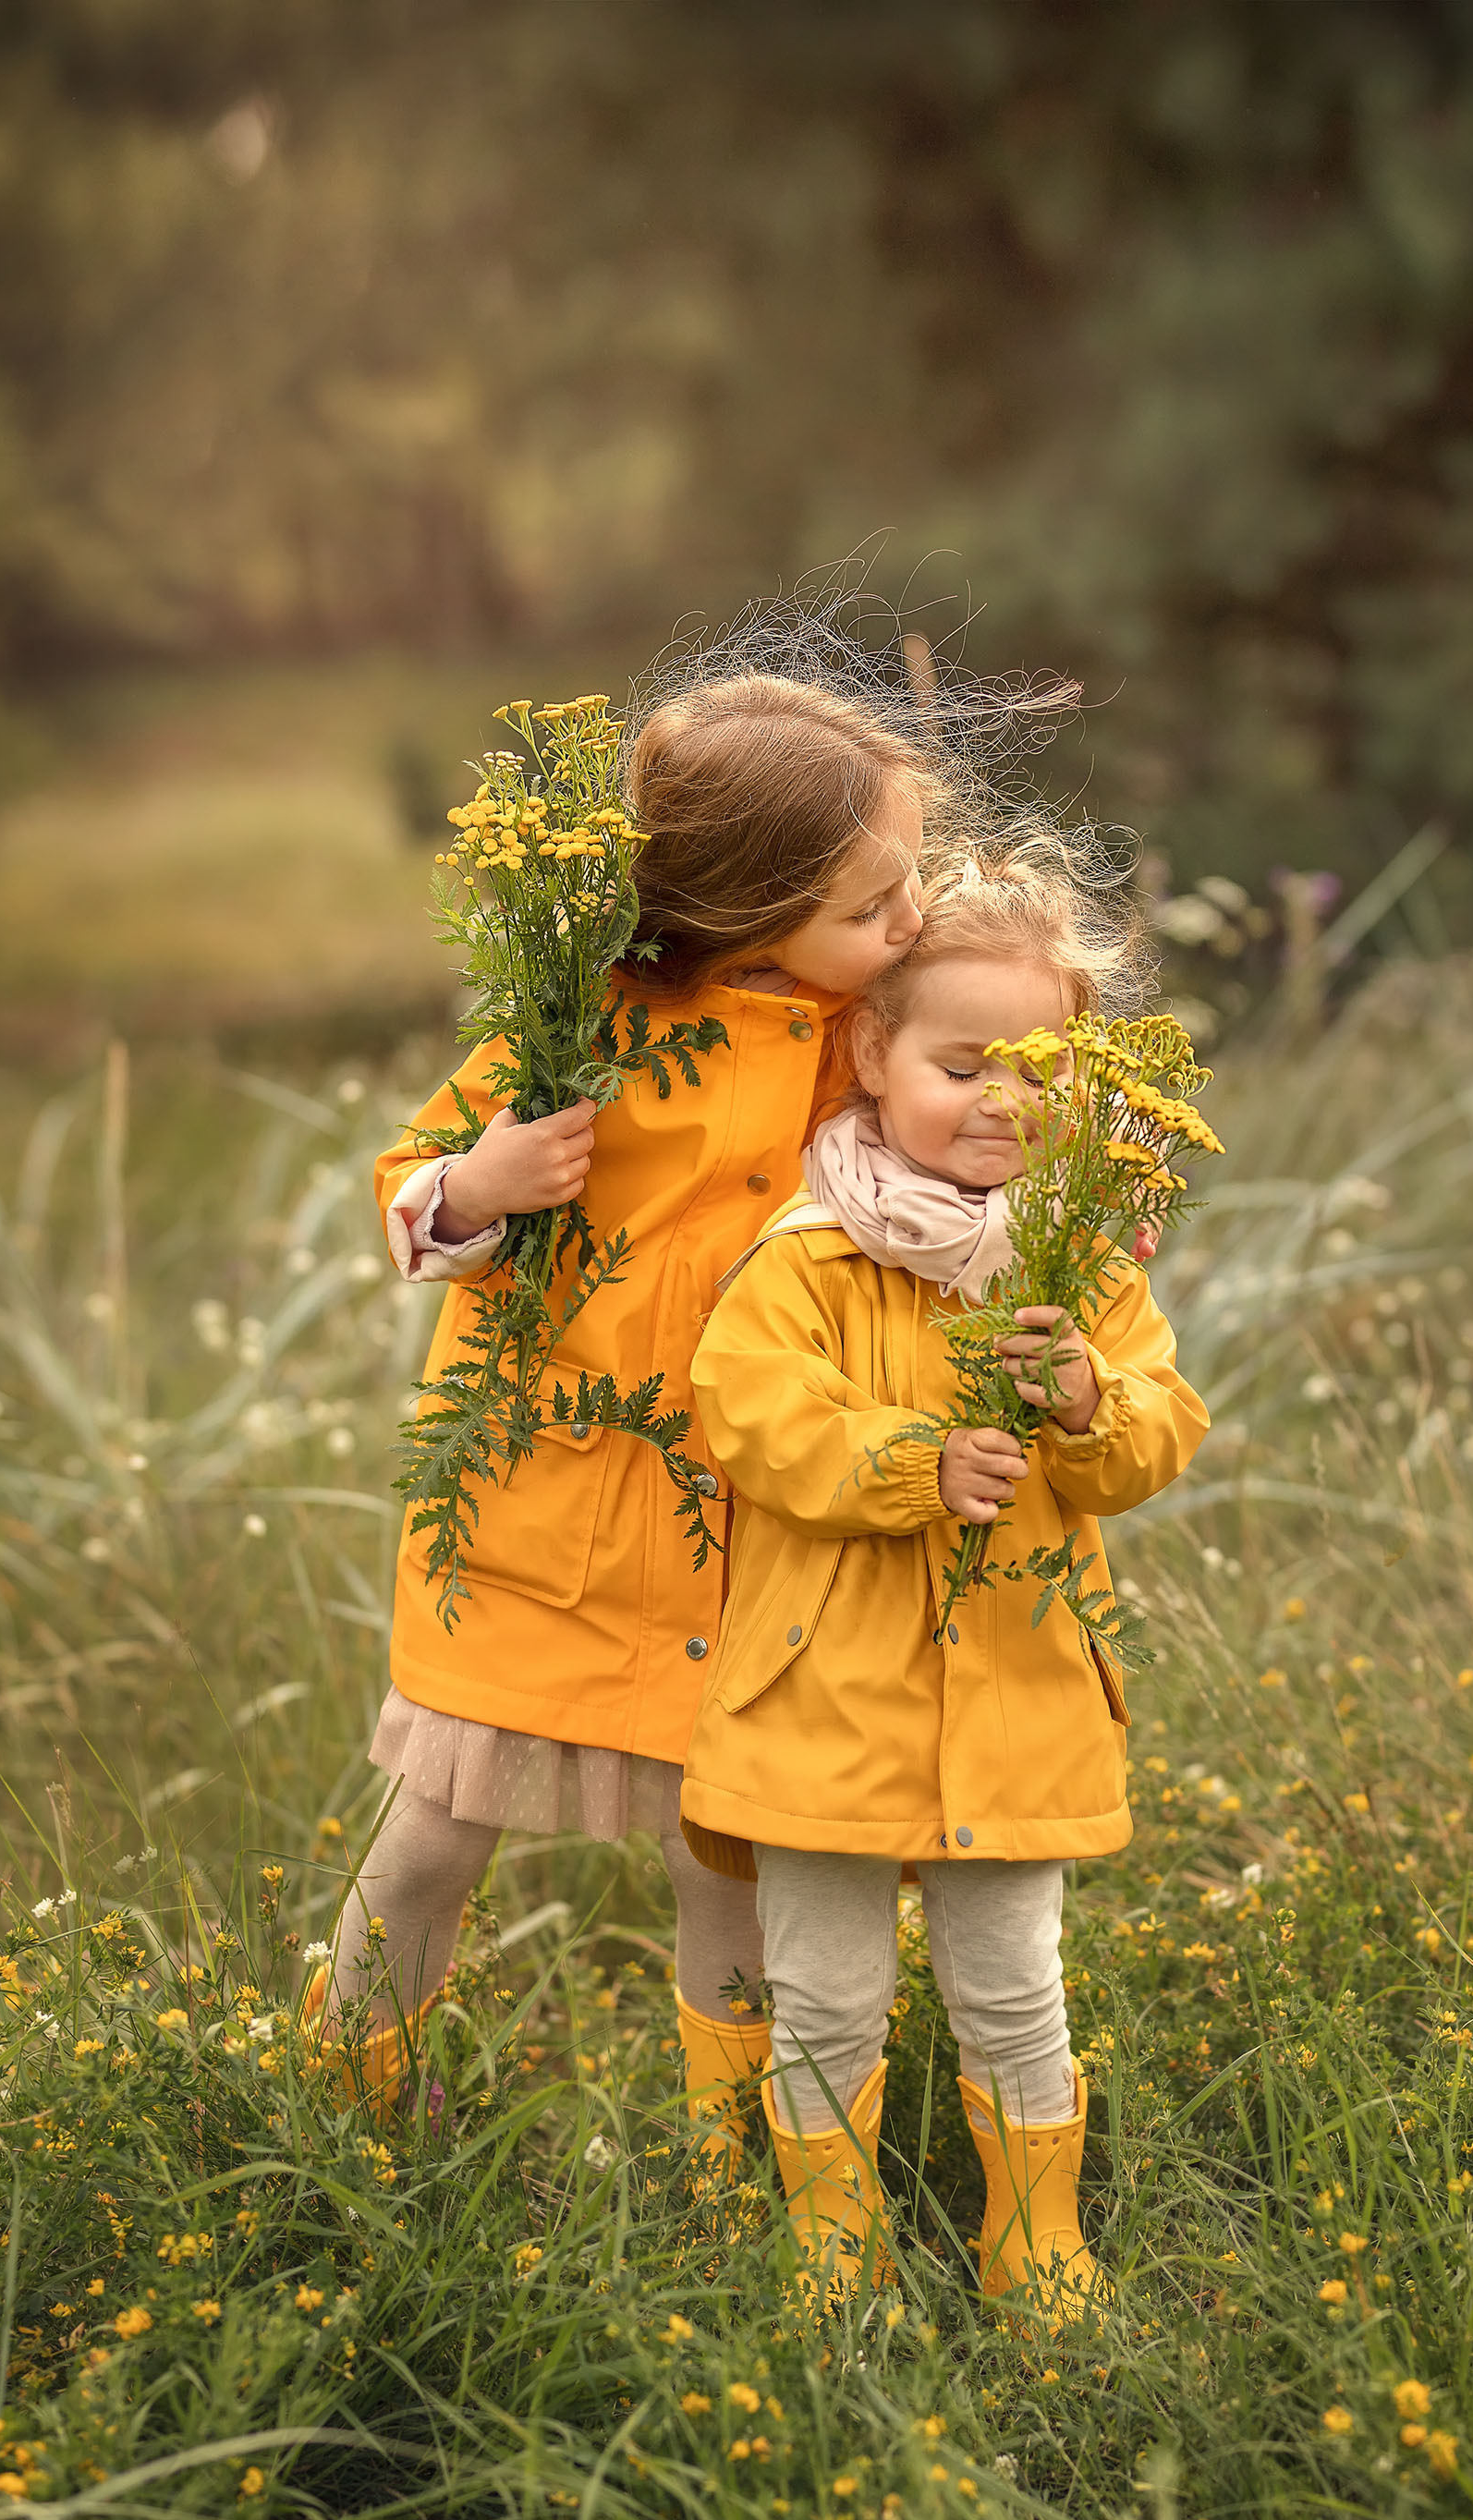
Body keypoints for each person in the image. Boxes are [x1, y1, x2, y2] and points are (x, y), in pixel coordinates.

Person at [321, 646, 953, 2150]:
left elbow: (952, 1172)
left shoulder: (863, 1042)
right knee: (432, 1836)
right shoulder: (580, 1028)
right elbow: (408, 1198)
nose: (911, 920)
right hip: (538, 1518)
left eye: (912, 884)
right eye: (873, 905)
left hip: (748, 1533)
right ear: (741, 910)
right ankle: (340, 2113)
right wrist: (481, 1182)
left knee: (724, 1857)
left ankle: (734, 2163)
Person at [681, 836, 1211, 2310]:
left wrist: (1089, 1401)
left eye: (1044, 1071)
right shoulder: (807, 1255)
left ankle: (1036, 2241)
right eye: (963, 1065)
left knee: (1014, 1988)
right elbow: (750, 1413)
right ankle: (829, 2240)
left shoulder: (1084, 1268)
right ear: (872, 1054)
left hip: (1021, 1690)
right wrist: (916, 1463)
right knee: (827, 1996)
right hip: (822, 1698)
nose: (1005, 1101)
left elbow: (1158, 1429)